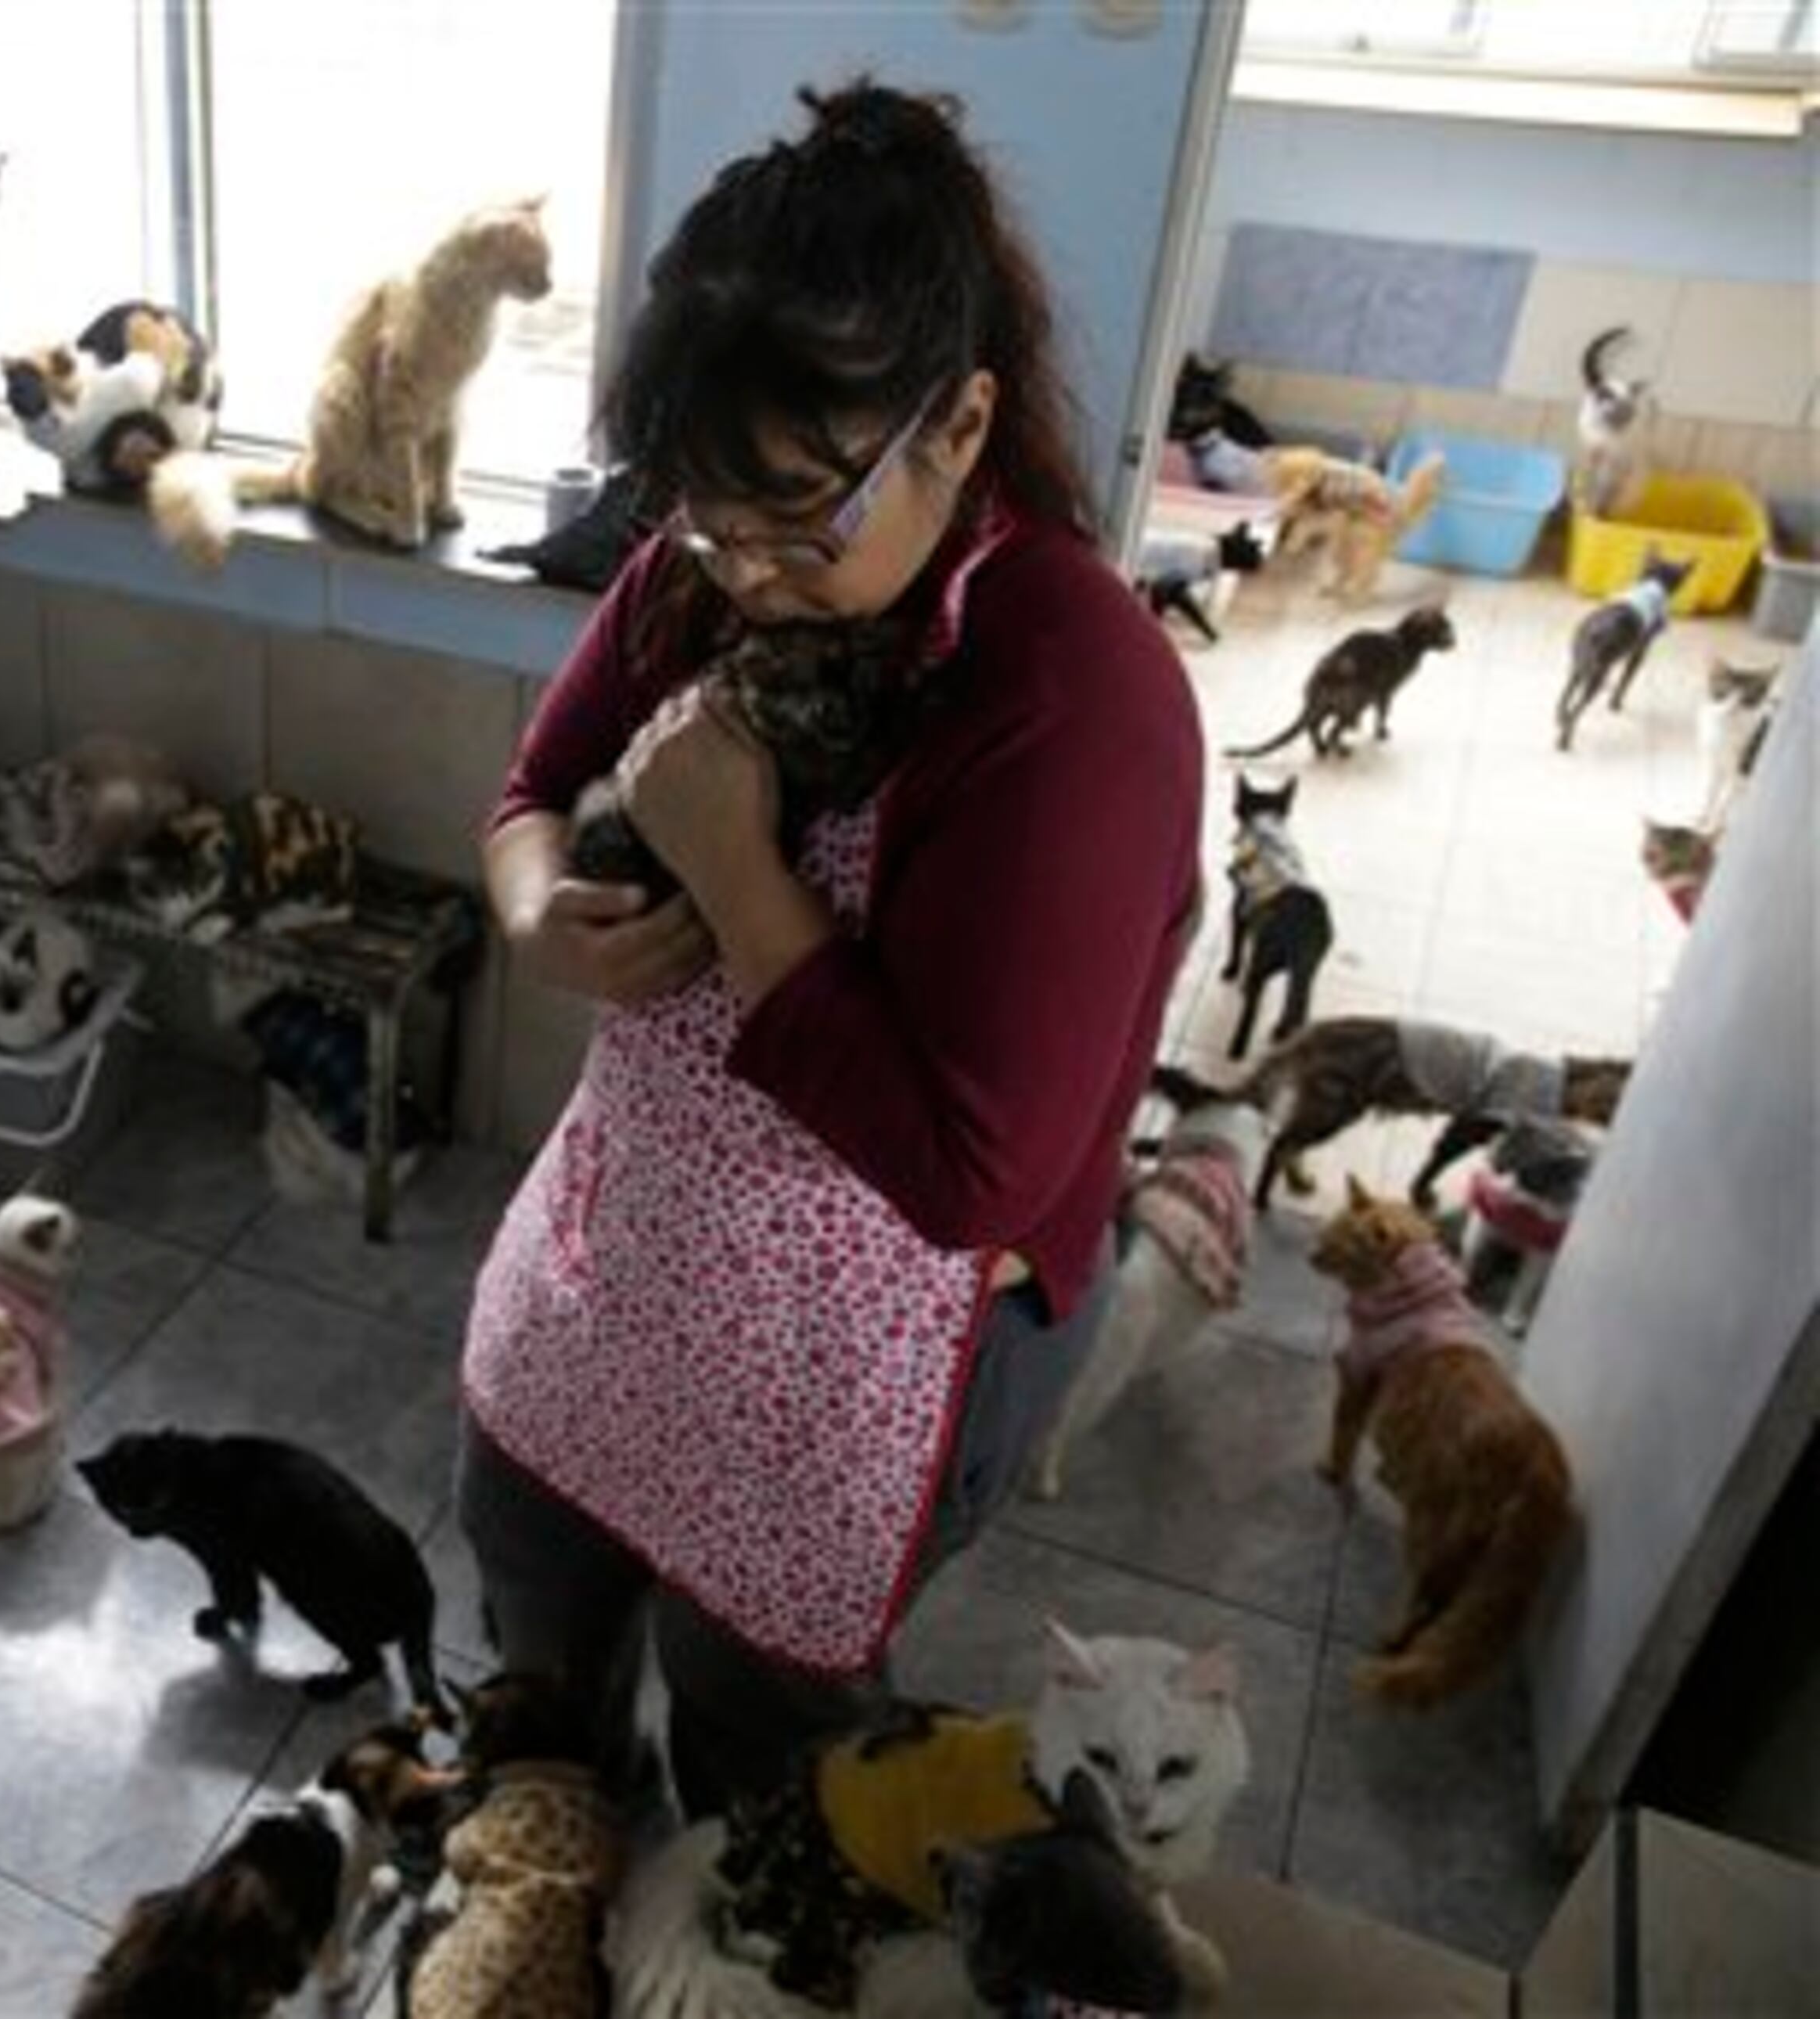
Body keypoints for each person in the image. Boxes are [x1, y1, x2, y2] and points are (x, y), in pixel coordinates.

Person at [457, 77, 1203, 1819]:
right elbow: (529, 796)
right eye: (708, 513)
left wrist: (733, 863)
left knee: (759, 1772)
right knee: (535, 1650)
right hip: (613, 1253)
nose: (746, 569)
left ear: (958, 428)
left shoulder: (1073, 692)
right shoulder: (706, 565)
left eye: (802, 518)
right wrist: (533, 912)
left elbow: (971, 1172)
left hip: (857, 1369)